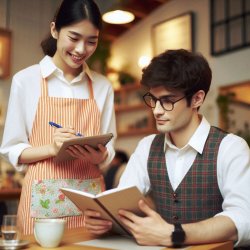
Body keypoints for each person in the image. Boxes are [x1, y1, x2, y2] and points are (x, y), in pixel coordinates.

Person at [83, 49, 250, 248]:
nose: (157, 110)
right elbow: (121, 202)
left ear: (197, 99)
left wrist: (175, 234)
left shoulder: (230, 148)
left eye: (168, 101)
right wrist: (105, 220)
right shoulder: (147, 147)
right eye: (153, 99)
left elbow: (243, 219)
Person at [0, 0, 116, 235]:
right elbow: (12, 148)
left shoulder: (103, 86)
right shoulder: (27, 80)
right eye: (74, 38)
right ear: (55, 30)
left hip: (90, 206)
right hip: (42, 207)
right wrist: (53, 148)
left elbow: (110, 149)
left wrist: (101, 154)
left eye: (91, 41)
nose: (82, 49)